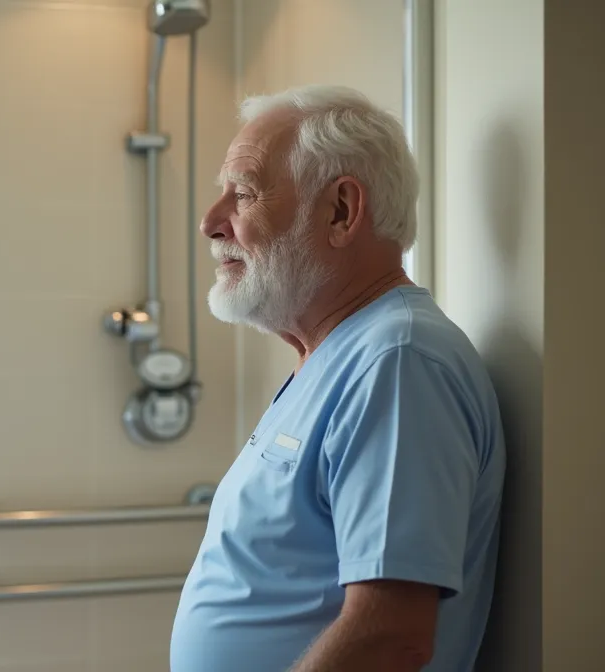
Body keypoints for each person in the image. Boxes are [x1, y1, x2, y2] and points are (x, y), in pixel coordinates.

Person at [169, 84, 505, 672]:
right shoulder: (338, 354)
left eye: (242, 194)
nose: (210, 222)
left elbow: (388, 636)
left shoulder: (397, 361)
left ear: (342, 211)